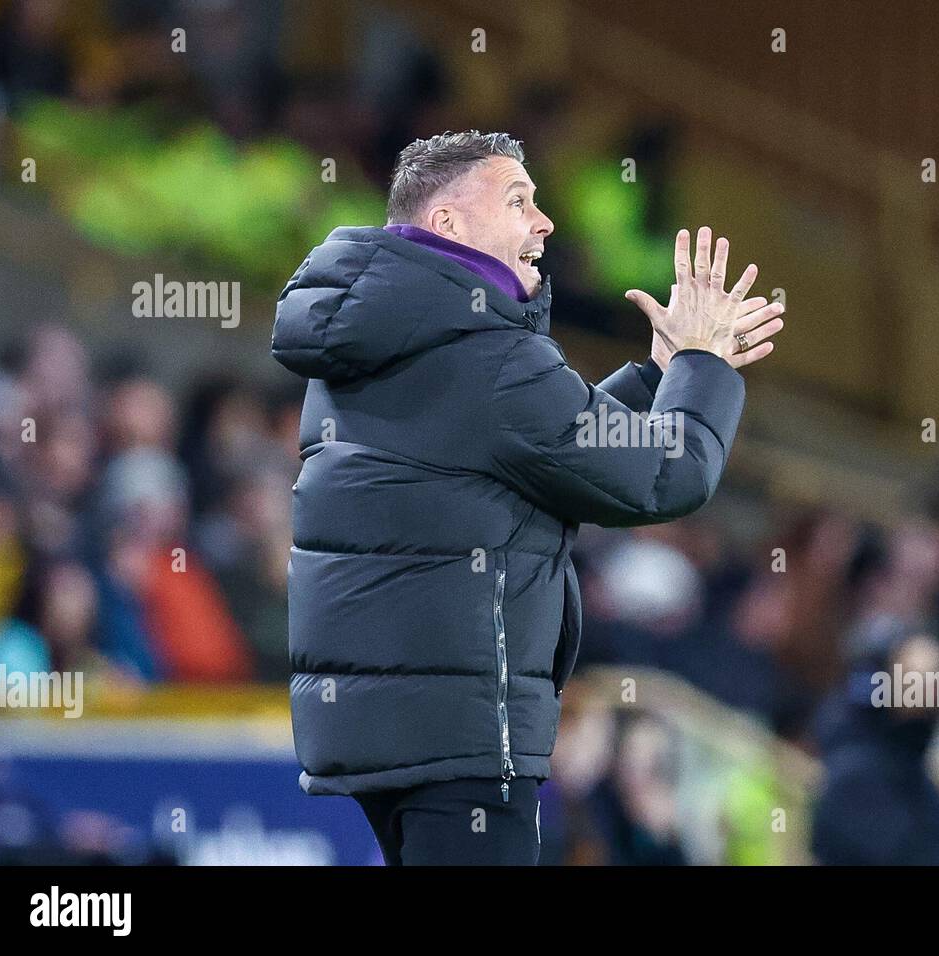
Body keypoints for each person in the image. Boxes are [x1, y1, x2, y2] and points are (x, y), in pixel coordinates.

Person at [270, 130, 785, 865]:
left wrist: (655, 375)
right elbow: (666, 476)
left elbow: (527, 451)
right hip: (464, 736)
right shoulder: (489, 355)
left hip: (386, 727)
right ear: (448, 224)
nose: (544, 222)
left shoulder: (378, 338)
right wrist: (702, 364)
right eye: (518, 201)